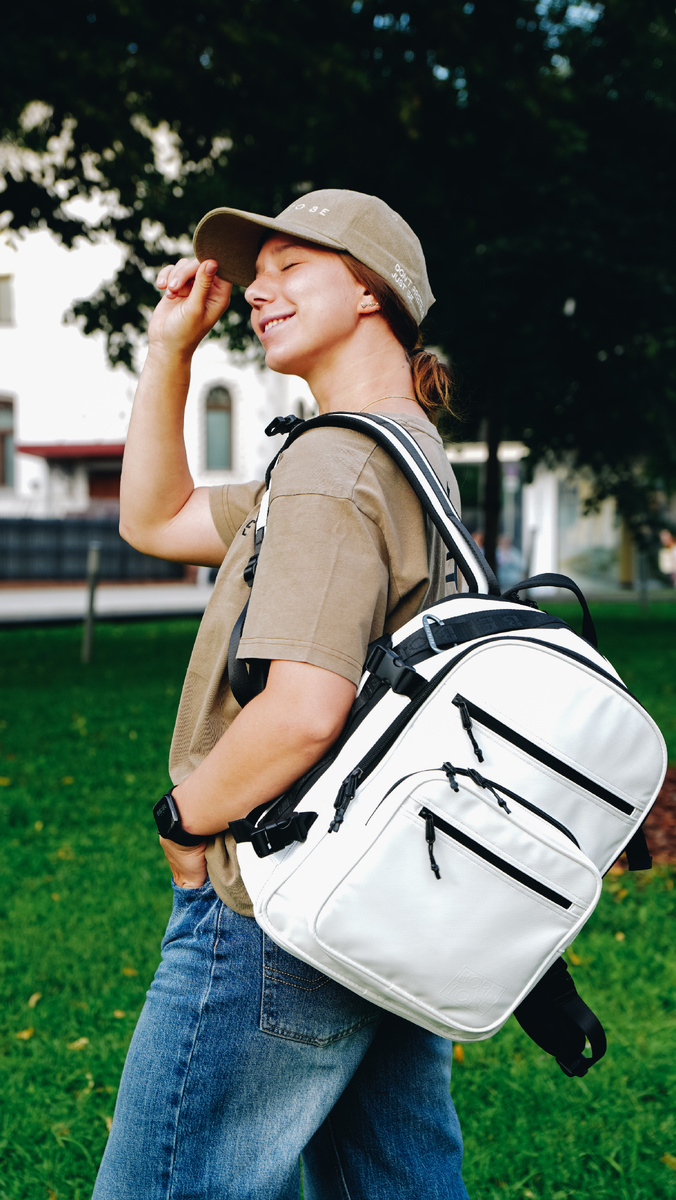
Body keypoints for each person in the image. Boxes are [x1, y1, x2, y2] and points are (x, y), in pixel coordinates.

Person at [92, 189, 470, 1200]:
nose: (258, 290)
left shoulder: (331, 465)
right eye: (255, 275)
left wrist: (184, 822)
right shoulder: (404, 451)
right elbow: (157, 517)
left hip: (273, 894)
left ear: (371, 291)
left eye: (291, 266)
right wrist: (170, 351)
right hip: (380, 893)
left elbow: (303, 709)